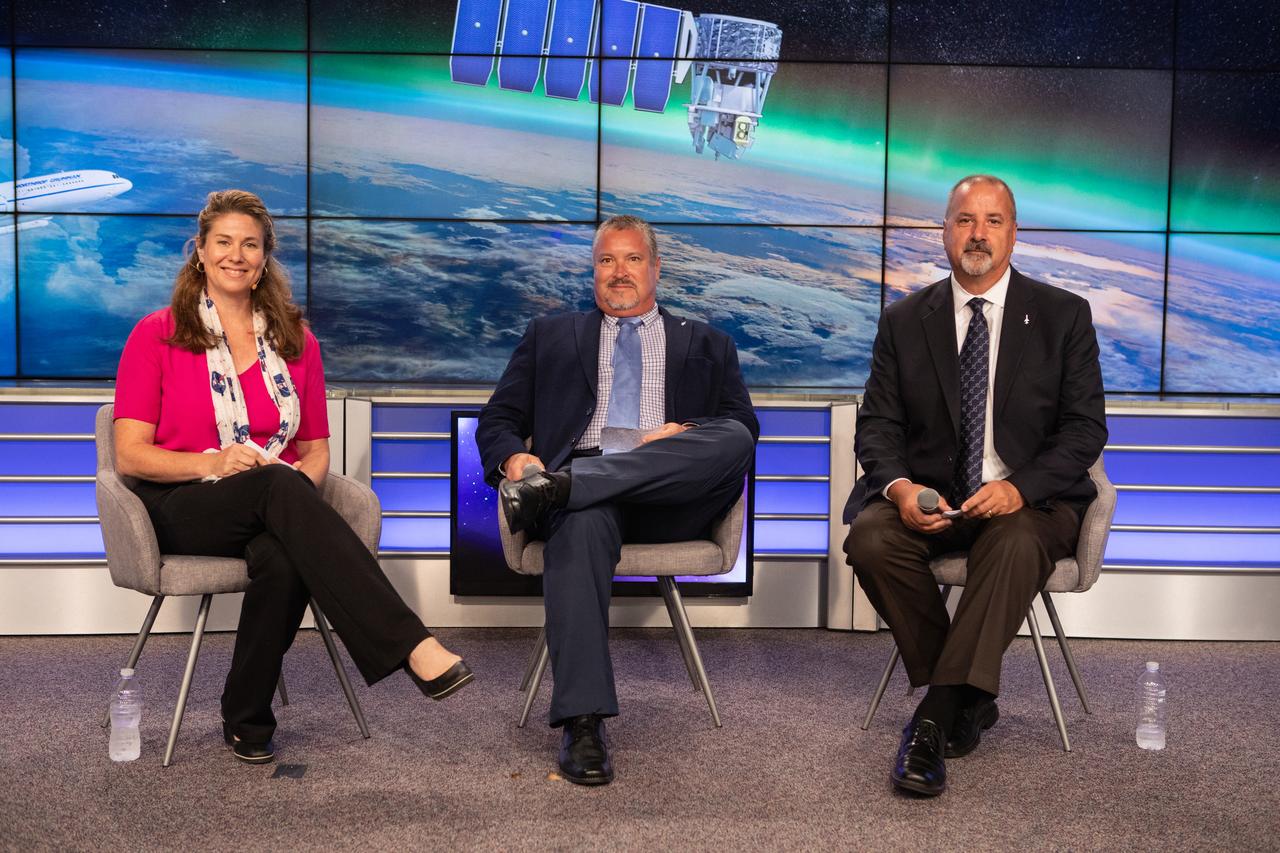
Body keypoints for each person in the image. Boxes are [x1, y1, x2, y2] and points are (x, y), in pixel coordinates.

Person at [113, 189, 472, 765]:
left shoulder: (296, 342)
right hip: (178, 504)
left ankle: (246, 716)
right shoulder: (157, 333)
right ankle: (412, 643)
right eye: (223, 242)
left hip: (268, 500)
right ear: (199, 251)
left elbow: (317, 452)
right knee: (281, 484)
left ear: (265, 257)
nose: (236, 255)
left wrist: (294, 489)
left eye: (250, 245)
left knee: (283, 551)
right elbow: (130, 456)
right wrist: (214, 463)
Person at [842, 175, 1107, 797]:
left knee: (1011, 542)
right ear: (944, 231)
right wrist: (901, 489)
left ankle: (934, 717)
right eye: (965, 220)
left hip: (1029, 503)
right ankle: (969, 697)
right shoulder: (905, 320)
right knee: (871, 540)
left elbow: (1084, 430)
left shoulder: (1064, 315)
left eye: (993, 221)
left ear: (1014, 233)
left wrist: (1020, 488)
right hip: (935, 499)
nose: (978, 234)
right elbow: (877, 426)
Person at [476, 214, 758, 786]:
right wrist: (518, 463)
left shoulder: (709, 342)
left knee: (732, 436)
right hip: (587, 502)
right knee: (579, 520)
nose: (619, 271)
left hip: (670, 497)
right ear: (593, 271)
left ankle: (566, 486)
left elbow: (740, 427)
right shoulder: (550, 336)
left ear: (656, 268)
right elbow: (498, 420)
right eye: (607, 260)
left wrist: (683, 432)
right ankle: (583, 725)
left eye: (632, 259)